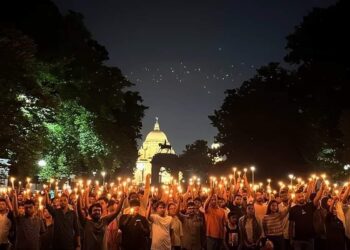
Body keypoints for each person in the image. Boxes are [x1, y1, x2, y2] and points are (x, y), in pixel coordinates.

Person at [289, 181, 325, 250]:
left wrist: (321, 189)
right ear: (296, 199)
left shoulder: (310, 206)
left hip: (310, 238)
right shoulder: (293, 209)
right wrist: (291, 238)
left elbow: (317, 198)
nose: (301, 198)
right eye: (299, 197)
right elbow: (291, 225)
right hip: (298, 239)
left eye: (302, 196)